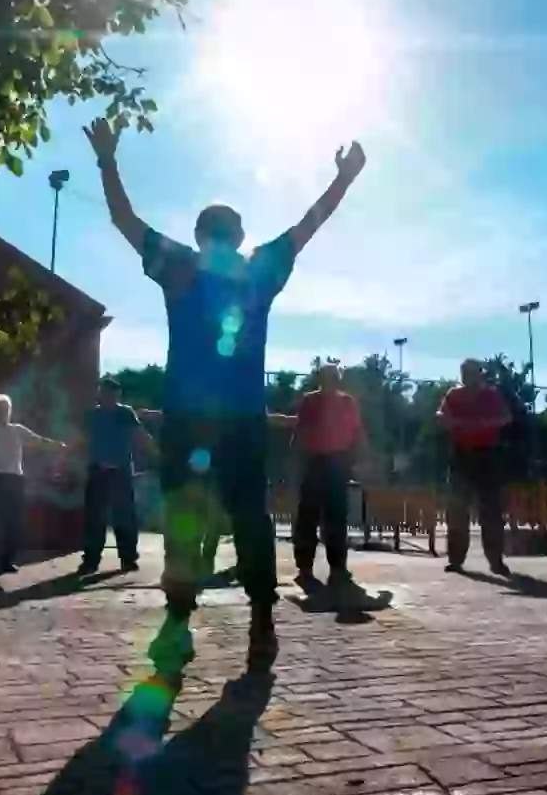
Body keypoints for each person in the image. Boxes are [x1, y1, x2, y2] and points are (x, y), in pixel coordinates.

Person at [85, 114, 367, 683]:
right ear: (239, 236)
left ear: (197, 235)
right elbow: (311, 224)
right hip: (241, 419)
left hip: (188, 419)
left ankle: (177, 624)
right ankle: (262, 622)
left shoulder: (181, 268)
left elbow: (122, 219)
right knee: (250, 518)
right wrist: (346, 178)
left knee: (186, 518)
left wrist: (108, 157)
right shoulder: (259, 270)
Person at [279, 364, 367, 599]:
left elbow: (357, 432)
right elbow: (300, 431)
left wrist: (359, 459)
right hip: (315, 461)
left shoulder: (346, 402)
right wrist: (295, 460)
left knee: (334, 517)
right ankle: (307, 566)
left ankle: (336, 568)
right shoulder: (311, 401)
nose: (329, 382)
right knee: (310, 517)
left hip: (335, 462)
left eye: (333, 378)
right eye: (327, 378)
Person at [0, 394, 67, 577]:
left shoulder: (17, 430)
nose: (3, 413)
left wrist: (57, 446)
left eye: (6, 409)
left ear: (10, 411)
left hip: (12, 480)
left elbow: (38, 441)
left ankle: (7, 562)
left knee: (12, 523)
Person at [437, 359, 512, 576]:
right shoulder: (454, 394)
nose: (467, 377)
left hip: (486, 454)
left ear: (479, 374)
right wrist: (448, 420)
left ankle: (495, 560)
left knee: (491, 510)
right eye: (464, 372)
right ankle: (456, 559)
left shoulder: (491, 395)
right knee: (457, 509)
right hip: (461, 454)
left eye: (471, 373)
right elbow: (441, 414)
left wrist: (484, 423)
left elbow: (506, 418)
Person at [78, 378, 154, 575]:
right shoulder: (92, 415)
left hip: (120, 471)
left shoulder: (125, 413)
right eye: (103, 393)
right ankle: (91, 560)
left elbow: (139, 435)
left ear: (117, 395)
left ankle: (128, 558)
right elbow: (82, 439)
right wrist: (65, 457)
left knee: (125, 517)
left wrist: (157, 453)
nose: (107, 397)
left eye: (111, 394)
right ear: (100, 394)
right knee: (94, 518)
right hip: (98, 470)